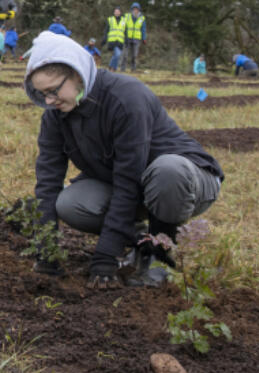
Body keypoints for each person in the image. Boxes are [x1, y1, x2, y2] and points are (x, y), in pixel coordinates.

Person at [24, 31, 222, 288]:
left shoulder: (126, 98)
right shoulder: (55, 116)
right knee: (70, 203)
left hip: (187, 181)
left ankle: (161, 251)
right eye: (42, 95)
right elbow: (48, 181)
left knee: (167, 172)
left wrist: (105, 257)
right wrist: (45, 249)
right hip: (132, 185)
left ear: (76, 73)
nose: (49, 101)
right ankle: (139, 239)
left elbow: (128, 180)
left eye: (53, 91)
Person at [122, 3, 146, 72]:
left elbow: (143, 29)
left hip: (136, 39)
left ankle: (133, 68)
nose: (135, 11)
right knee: (125, 54)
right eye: (134, 9)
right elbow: (123, 26)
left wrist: (144, 38)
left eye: (137, 9)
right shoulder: (127, 16)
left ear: (139, 10)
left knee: (134, 55)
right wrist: (124, 35)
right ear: (131, 10)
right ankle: (123, 68)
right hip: (127, 38)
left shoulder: (142, 18)